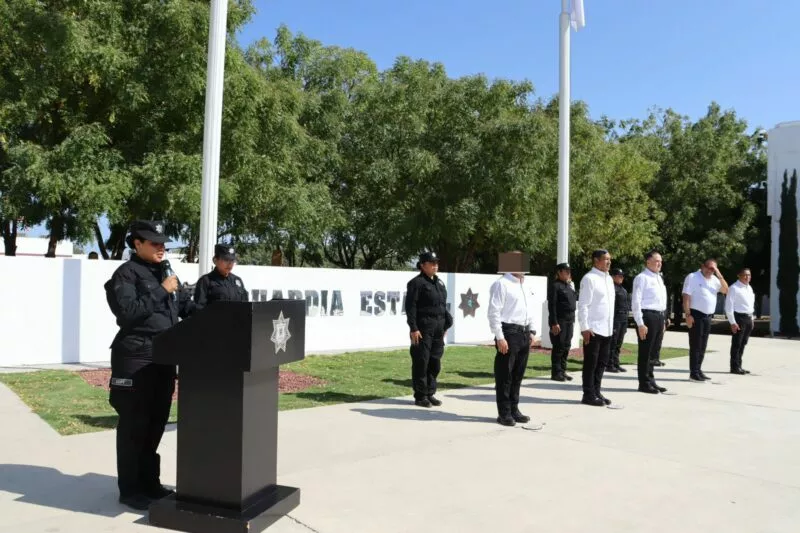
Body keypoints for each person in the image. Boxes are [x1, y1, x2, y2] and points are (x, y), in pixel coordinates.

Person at [103, 220, 196, 511]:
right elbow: (127, 313)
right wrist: (162, 291)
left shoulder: (165, 273)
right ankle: (130, 490)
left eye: (163, 243)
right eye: (154, 243)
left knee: (155, 424)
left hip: (163, 359)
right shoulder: (125, 275)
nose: (161, 248)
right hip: (135, 360)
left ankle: (150, 484)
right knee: (134, 427)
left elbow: (183, 309)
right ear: (137, 244)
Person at [487, 251, 537, 426]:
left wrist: (532, 331)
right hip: (509, 332)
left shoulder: (526, 284)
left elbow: (530, 309)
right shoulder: (502, 284)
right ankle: (504, 413)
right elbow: (494, 313)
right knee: (505, 375)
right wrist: (499, 337)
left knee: (518, 375)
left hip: (524, 333)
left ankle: (514, 409)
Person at [405, 251, 453, 408]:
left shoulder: (439, 283)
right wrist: (413, 328)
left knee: (435, 362)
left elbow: (442, 306)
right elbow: (410, 308)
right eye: (432, 263)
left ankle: (430, 392)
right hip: (423, 328)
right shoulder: (416, 283)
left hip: (438, 328)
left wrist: (446, 324)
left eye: (436, 263)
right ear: (422, 265)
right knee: (421, 362)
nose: (435, 266)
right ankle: (420, 395)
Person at [577, 249, 615, 407]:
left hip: (606, 328)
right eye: (605, 259)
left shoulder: (609, 279)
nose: (608, 262)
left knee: (602, 363)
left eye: (609, 260)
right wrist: (585, 327)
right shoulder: (589, 278)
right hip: (593, 329)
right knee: (591, 364)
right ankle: (588, 394)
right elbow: (583, 305)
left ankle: (596, 391)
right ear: (596, 260)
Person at [682, 258, 729, 382]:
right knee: (695, 345)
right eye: (709, 267)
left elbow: (725, 290)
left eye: (713, 269)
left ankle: (698, 370)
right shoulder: (692, 277)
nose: (710, 270)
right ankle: (693, 373)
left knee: (703, 345)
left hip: (708, 316)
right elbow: (686, 296)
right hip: (695, 315)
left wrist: (718, 273)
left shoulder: (714, 279)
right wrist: (687, 315)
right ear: (702, 266)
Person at [631, 250, 669, 394]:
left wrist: (664, 319)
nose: (659, 263)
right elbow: (636, 301)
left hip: (659, 317)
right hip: (648, 317)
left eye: (660, 261)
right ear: (648, 262)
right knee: (646, 352)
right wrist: (640, 323)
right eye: (656, 260)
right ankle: (644, 383)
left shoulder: (659, 278)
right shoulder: (642, 278)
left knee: (654, 353)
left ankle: (651, 380)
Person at [193, 244, 249, 311]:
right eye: (226, 260)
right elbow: (199, 309)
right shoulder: (206, 281)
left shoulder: (237, 280)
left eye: (232, 260)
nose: (230, 263)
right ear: (215, 260)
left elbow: (245, 306)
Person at [548, 262, 577, 382]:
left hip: (569, 320)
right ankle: (556, 372)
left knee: (566, 346)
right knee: (559, 346)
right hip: (560, 321)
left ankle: (563, 370)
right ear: (559, 272)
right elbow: (552, 305)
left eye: (569, 271)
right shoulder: (555, 286)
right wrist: (554, 322)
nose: (568, 273)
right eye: (566, 271)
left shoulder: (568, 286)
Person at [725, 267, 755, 375]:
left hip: (748, 318)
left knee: (743, 343)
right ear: (739, 276)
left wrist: (752, 319)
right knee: (737, 343)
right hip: (739, 318)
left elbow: (750, 305)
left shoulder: (749, 288)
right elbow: (729, 307)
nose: (747, 277)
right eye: (745, 275)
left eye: (749, 275)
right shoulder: (734, 288)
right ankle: (734, 367)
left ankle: (739, 365)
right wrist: (732, 322)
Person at [607, 267, 629, 373]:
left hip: (623, 318)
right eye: (619, 276)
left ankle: (616, 363)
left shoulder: (623, 290)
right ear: (613, 277)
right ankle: (609, 364)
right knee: (613, 342)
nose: (621, 278)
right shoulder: (612, 288)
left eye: (622, 276)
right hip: (615, 318)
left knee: (619, 343)